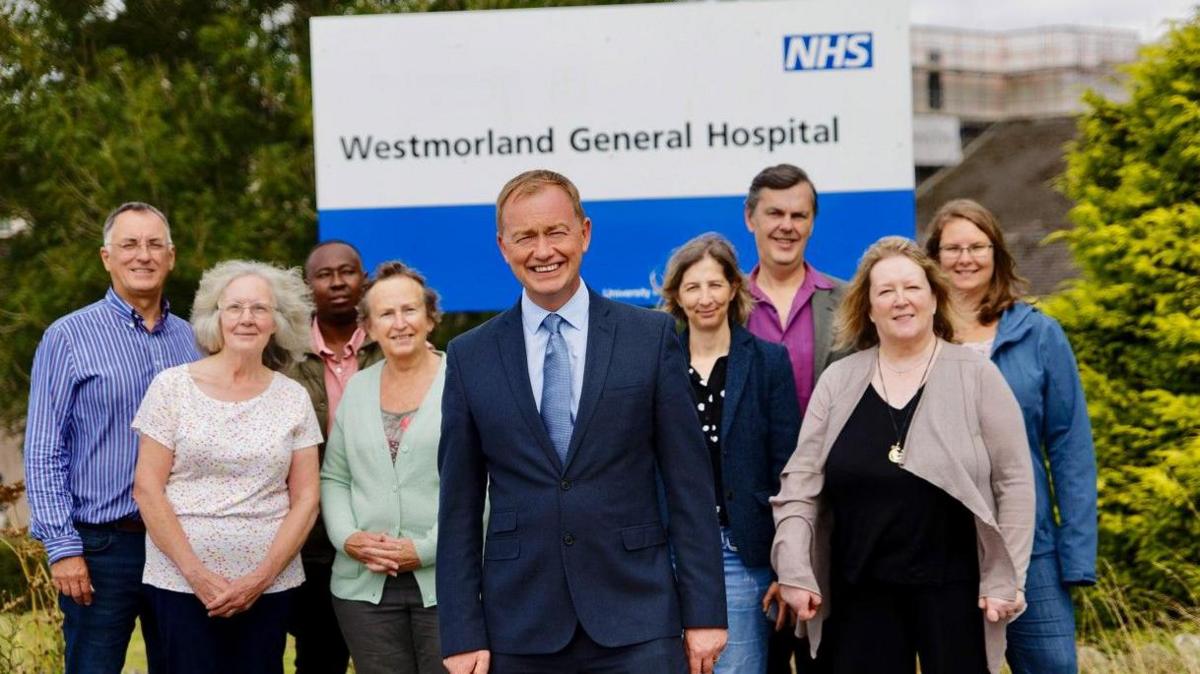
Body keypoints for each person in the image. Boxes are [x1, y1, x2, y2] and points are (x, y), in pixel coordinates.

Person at [437, 170, 727, 674]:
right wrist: (462, 631)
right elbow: (458, 507)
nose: (542, 250)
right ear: (503, 246)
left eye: (556, 232)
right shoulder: (470, 356)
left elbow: (690, 487)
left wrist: (704, 613)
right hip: (519, 627)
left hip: (639, 618)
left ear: (585, 233)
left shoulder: (650, 337)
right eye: (525, 236)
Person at [771, 236, 1035, 674]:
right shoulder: (839, 380)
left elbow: (1015, 483)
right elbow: (800, 484)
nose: (900, 301)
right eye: (885, 291)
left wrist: (1006, 578)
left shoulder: (977, 376)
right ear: (868, 308)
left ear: (934, 297)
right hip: (859, 593)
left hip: (955, 594)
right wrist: (794, 568)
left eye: (912, 288)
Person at [925, 199, 1097, 674]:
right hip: (945, 543)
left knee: (1052, 665)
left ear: (996, 253)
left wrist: (1076, 553)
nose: (965, 258)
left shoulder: (1040, 334)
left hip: (1031, 544)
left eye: (977, 246)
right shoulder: (917, 338)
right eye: (953, 248)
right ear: (934, 257)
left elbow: (1069, 446)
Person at [24, 202, 197, 674]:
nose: (142, 255)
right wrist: (63, 548)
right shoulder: (68, 336)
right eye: (129, 244)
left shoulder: (194, 340)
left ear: (171, 256)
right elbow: (44, 449)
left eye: (154, 244)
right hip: (101, 549)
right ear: (106, 257)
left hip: (179, 544)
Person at [131, 260, 322, 674]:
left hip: (268, 587)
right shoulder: (171, 387)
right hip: (180, 582)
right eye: (234, 308)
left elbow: (306, 498)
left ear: (278, 321)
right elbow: (147, 487)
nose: (246, 319)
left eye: (259, 308)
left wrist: (260, 579)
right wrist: (196, 574)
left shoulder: (293, 398)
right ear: (215, 318)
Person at [659, 233, 801, 674]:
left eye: (715, 284)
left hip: (741, 550)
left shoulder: (767, 362)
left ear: (734, 289)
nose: (705, 298)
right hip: (668, 552)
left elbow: (787, 468)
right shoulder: (654, 364)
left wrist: (788, 564)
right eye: (693, 287)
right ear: (676, 297)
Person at [740, 164, 843, 674]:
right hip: (747, 520)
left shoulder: (849, 304)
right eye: (774, 213)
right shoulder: (719, 305)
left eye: (798, 215)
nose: (787, 225)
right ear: (750, 218)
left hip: (834, 518)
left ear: (812, 222)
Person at [321, 261, 447, 674]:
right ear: (370, 328)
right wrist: (349, 539)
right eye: (385, 314)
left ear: (430, 318)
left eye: (409, 310)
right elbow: (335, 476)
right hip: (363, 588)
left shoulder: (462, 381)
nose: (399, 323)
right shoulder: (357, 388)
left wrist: (424, 549)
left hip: (448, 584)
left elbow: (485, 483)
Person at [286, 239, 382, 674]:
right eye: (325, 275)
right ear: (308, 287)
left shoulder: (391, 341)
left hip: (385, 528)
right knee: (319, 656)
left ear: (363, 280)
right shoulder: (282, 354)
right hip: (313, 540)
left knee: (389, 657)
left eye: (347, 271)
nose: (338, 282)